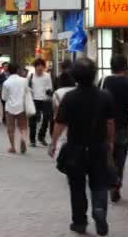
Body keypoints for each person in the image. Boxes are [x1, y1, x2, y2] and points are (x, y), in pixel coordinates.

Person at [50, 58, 114, 236]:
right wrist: (110, 143)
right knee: (99, 182)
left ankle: (79, 222)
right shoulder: (105, 96)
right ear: (94, 75)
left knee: (77, 186)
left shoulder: (69, 97)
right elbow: (110, 123)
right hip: (98, 147)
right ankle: (100, 211)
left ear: (75, 76)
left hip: (75, 148)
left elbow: (60, 123)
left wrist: (53, 144)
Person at [100, 55, 128, 203]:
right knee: (120, 158)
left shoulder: (106, 81)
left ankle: (110, 183)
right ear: (125, 66)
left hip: (106, 125)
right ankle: (116, 185)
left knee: (108, 156)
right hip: (122, 126)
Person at [1, 63, 29, 154]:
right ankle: (23, 141)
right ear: (17, 70)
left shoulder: (6, 82)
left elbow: (4, 97)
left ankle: (12, 147)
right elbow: (27, 93)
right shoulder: (24, 80)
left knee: (10, 128)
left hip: (10, 107)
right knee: (23, 127)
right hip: (21, 106)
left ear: (8, 71)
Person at [28, 58, 53, 147]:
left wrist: (49, 93)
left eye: (41, 67)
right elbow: (27, 88)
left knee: (46, 119)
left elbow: (50, 87)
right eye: (38, 67)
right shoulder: (30, 75)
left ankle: (41, 136)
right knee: (32, 121)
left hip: (45, 100)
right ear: (35, 67)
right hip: (34, 100)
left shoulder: (47, 76)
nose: (40, 69)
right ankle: (32, 140)